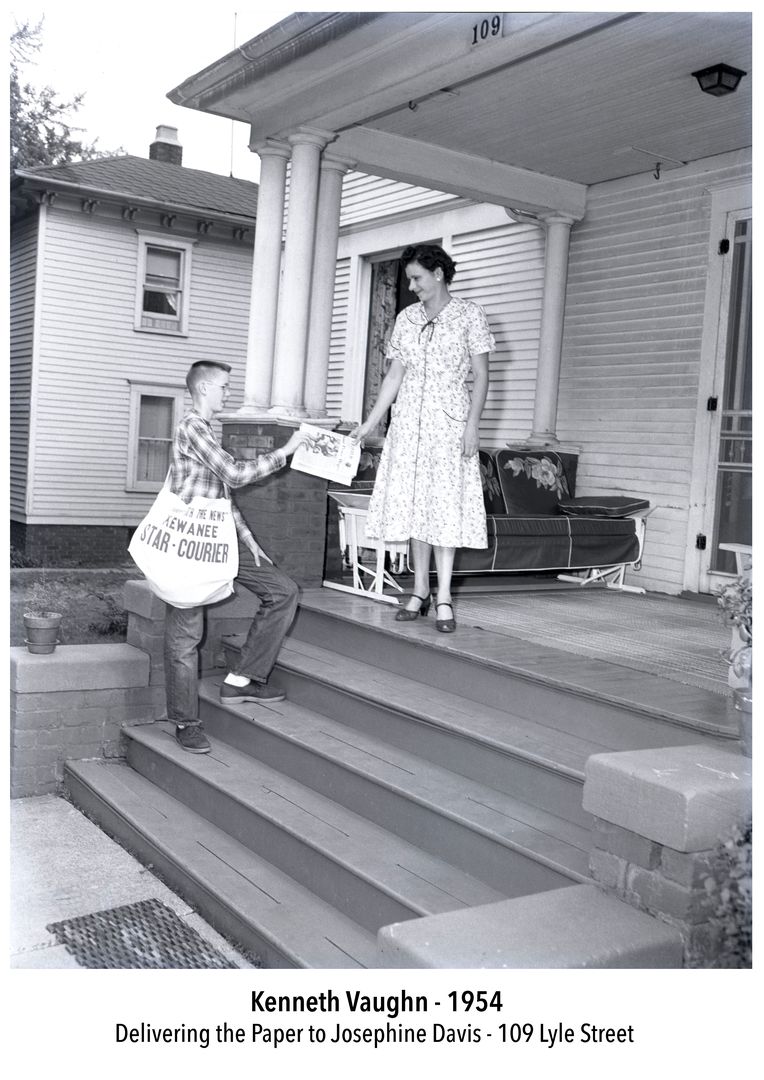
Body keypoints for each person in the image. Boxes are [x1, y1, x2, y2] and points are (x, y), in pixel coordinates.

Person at [165, 360, 308, 754]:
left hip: (220, 538)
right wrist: (286, 451)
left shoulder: (205, 431)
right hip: (189, 545)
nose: (228, 393)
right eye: (225, 387)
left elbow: (221, 496)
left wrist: (248, 540)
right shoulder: (192, 426)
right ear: (206, 388)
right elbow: (233, 474)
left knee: (282, 591)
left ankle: (242, 679)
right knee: (186, 636)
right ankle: (185, 722)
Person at [350, 244, 495, 632]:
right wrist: (369, 424)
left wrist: (472, 424)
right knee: (416, 508)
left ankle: (444, 596)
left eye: (417, 278)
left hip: (449, 424)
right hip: (409, 425)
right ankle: (419, 591)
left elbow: (481, 375)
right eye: (409, 279)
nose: (412, 286)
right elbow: (395, 376)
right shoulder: (406, 318)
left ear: (439, 274)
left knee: (444, 507)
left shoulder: (469, 315)